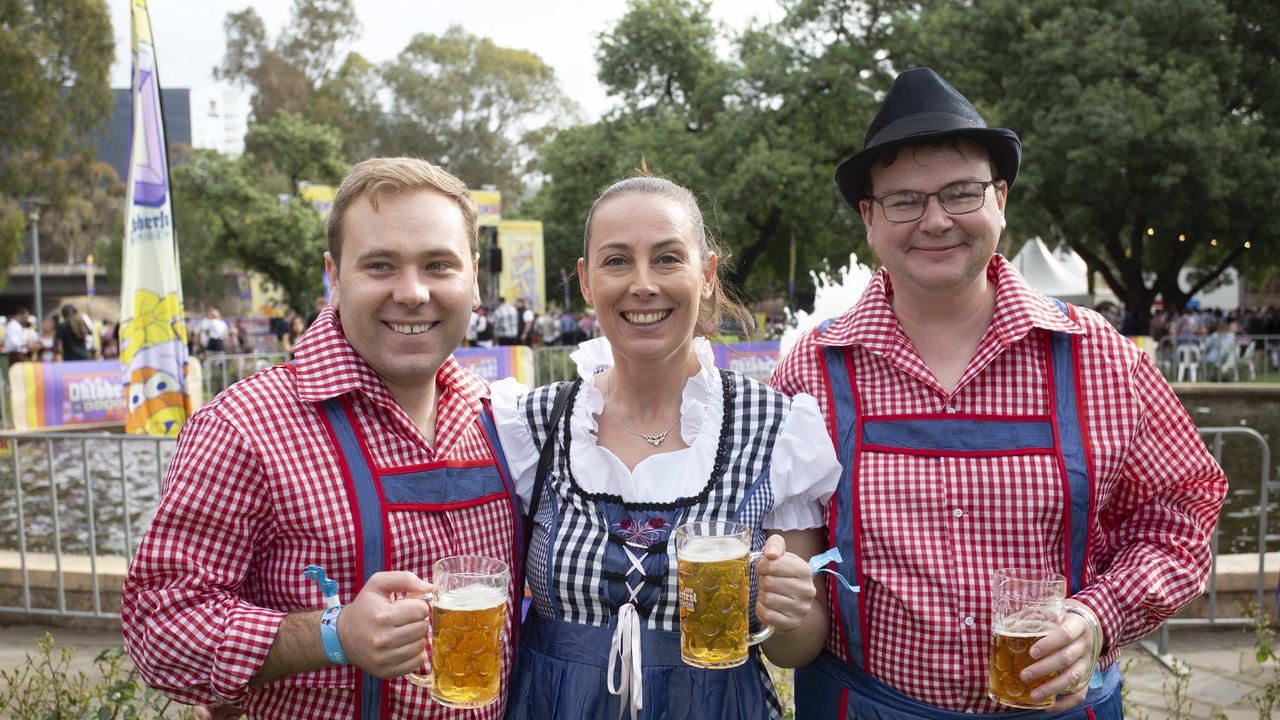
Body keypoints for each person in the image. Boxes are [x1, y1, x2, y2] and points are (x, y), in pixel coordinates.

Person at [770, 67, 1227, 718]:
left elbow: (1181, 516)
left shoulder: (1097, 356)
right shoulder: (811, 371)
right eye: (904, 201)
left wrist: (1098, 616)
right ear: (870, 219)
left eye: (960, 193)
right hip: (866, 705)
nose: (935, 221)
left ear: (1001, 200)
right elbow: (797, 570)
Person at [121, 157, 523, 720]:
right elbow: (158, 627)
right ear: (334, 277)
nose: (411, 293)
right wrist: (332, 635)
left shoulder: (501, 418)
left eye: (438, 265)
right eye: (380, 265)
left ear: (473, 278)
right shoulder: (245, 426)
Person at [492, 174, 840, 720]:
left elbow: (796, 648)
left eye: (668, 258)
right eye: (616, 261)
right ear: (585, 281)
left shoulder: (774, 427)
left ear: (706, 274)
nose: (643, 284)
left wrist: (791, 610)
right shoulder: (534, 424)